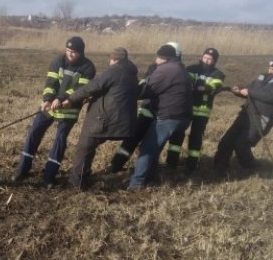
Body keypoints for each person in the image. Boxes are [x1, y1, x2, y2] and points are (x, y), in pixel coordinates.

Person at [13, 36, 96, 188]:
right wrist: (47, 99)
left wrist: (61, 98)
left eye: (74, 52)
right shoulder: (57, 61)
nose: (70, 54)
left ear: (81, 52)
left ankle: (49, 175)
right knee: (34, 131)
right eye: (68, 50)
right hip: (51, 106)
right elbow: (50, 83)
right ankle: (22, 169)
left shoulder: (88, 67)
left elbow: (80, 89)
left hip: (69, 109)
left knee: (60, 139)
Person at [62, 47, 139, 190]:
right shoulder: (132, 74)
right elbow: (114, 91)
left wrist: (71, 100)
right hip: (124, 122)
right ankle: (84, 175)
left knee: (84, 147)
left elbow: (92, 87)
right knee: (89, 146)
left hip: (106, 120)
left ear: (113, 59)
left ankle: (77, 182)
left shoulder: (114, 71)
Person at [109, 42, 182, 173]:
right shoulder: (155, 68)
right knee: (132, 139)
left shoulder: (175, 71)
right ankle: (116, 164)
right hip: (149, 110)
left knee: (152, 145)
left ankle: (150, 169)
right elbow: (144, 84)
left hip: (161, 114)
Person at [128, 44, 193, 191]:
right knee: (155, 147)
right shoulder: (181, 69)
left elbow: (146, 91)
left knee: (147, 148)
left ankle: (136, 184)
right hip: (185, 118)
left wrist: (131, 89)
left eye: (157, 57)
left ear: (163, 58)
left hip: (169, 117)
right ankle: (151, 176)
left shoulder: (165, 70)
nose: (155, 61)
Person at [166, 48, 226, 171]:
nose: (207, 60)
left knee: (196, 137)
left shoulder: (218, 74)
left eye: (210, 59)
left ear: (215, 61)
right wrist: (200, 87)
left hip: (202, 111)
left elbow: (211, 88)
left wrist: (197, 87)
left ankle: (192, 165)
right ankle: (171, 162)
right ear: (202, 56)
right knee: (177, 133)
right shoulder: (191, 69)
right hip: (186, 107)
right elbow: (184, 83)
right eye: (205, 57)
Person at [213, 60, 273, 171]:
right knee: (226, 141)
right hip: (245, 114)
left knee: (242, 144)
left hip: (261, 118)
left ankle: (251, 169)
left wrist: (249, 92)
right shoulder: (262, 77)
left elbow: (268, 96)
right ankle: (219, 169)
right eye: (271, 66)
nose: (271, 68)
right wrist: (238, 90)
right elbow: (249, 88)